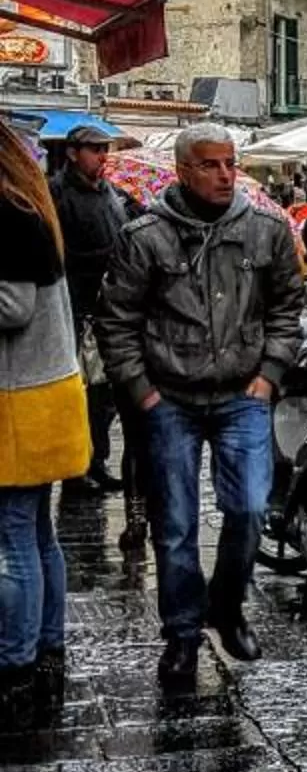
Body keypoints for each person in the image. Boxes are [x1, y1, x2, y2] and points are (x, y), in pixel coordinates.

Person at [97, 121, 304, 691]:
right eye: (210, 165)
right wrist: (142, 390)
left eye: (229, 163)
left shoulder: (266, 229)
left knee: (249, 508)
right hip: (171, 397)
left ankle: (228, 605)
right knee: (177, 525)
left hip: (242, 394)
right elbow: (117, 322)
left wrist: (269, 375)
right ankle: (183, 634)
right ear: (183, 171)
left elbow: (289, 304)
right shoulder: (146, 237)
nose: (223, 174)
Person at [0, 120, 91, 725]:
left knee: (13, 542)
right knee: (36, 534)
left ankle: (15, 663)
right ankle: (48, 647)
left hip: (19, 399)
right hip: (49, 391)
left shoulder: (6, 215)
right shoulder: (34, 209)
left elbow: (13, 306)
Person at [50, 122, 133, 495]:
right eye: (95, 149)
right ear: (72, 153)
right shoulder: (57, 192)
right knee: (80, 393)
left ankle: (96, 460)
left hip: (110, 307)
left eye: (105, 149)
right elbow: (56, 253)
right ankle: (75, 468)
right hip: (77, 305)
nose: (102, 156)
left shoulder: (111, 194)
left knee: (103, 394)